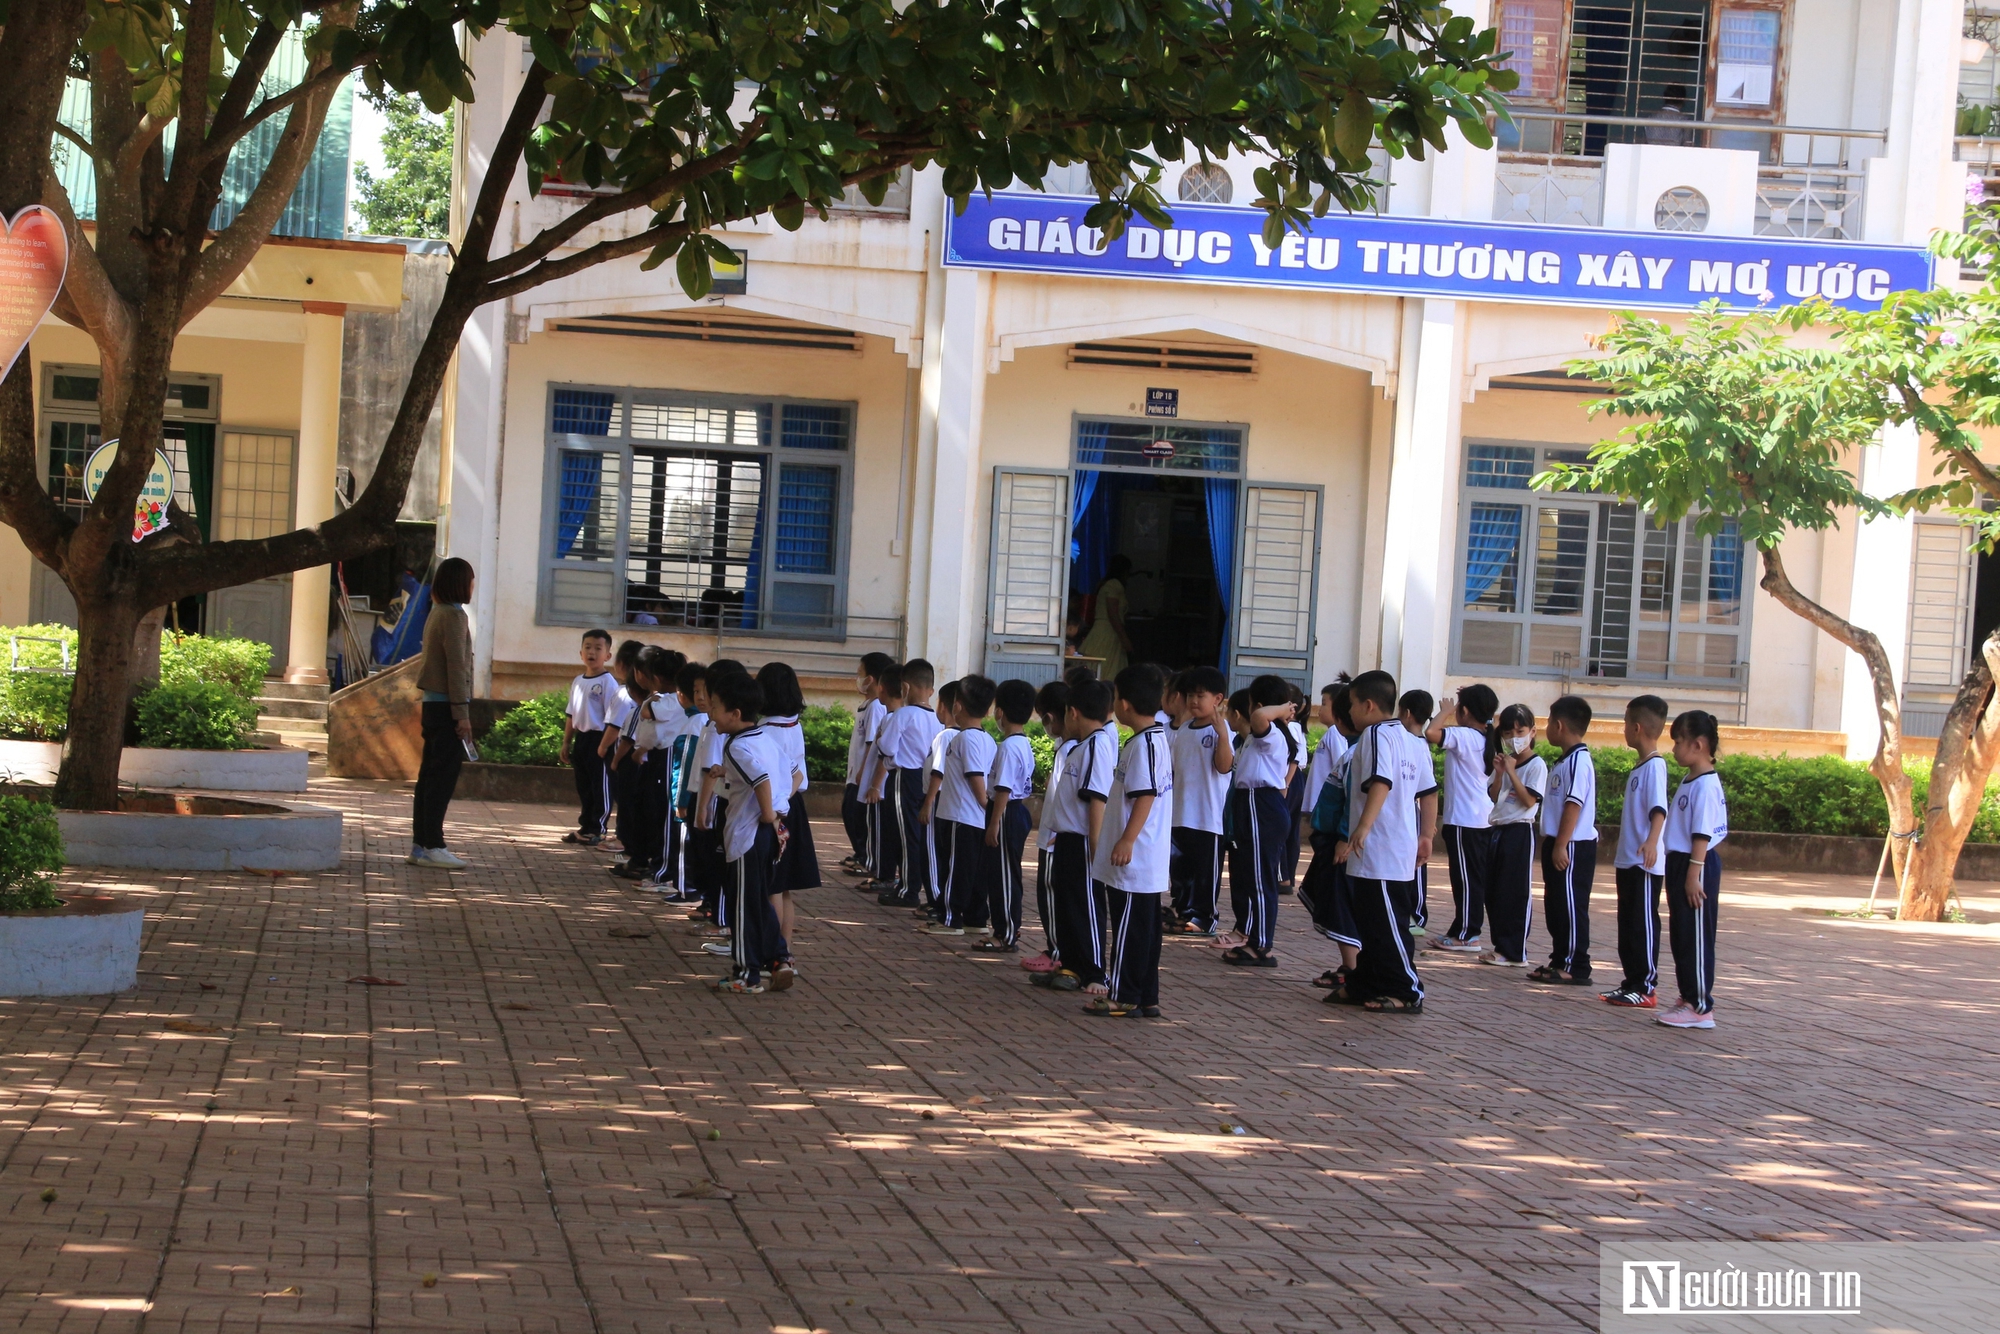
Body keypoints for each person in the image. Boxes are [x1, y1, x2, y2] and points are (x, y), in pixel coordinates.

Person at [1332, 669, 1434, 1014]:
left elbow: (1381, 782)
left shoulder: (1376, 735)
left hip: (1380, 848)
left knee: (1387, 926)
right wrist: (1427, 836)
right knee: (1372, 924)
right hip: (1395, 847)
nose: (1350, 712)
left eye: (1352, 705)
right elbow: (1429, 793)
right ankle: (1366, 983)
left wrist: (1361, 828)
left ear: (1369, 705)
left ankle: (1407, 990)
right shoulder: (1412, 739)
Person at [1083, 665, 1173, 1017]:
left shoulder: (1146, 744)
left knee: (1129, 930)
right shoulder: (1148, 740)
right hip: (1142, 858)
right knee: (1144, 932)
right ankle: (1145, 995)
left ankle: (1124, 994)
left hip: (1136, 859)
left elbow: (1146, 795)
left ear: (1125, 704)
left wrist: (1126, 840)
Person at [709, 669, 788, 995]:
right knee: (758, 902)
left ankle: (746, 974)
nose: (710, 713)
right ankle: (779, 959)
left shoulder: (736, 747)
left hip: (747, 836)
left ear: (735, 713)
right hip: (768, 835)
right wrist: (777, 817)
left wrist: (767, 814)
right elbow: (792, 772)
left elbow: (761, 780)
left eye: (714, 706)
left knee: (743, 906)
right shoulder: (764, 739)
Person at [1040, 676, 1116, 994]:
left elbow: (1096, 800)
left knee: (1086, 905)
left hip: (1086, 841)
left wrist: (1096, 848)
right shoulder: (1081, 746)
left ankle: (1095, 972)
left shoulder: (1098, 746)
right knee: (1068, 904)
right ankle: (1070, 966)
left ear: (1073, 712)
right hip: (1069, 840)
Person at [1222, 675, 1299, 967]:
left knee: (1259, 878)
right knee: (1246, 875)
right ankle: (1249, 934)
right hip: (1248, 805)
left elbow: (1257, 716)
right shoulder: (1253, 739)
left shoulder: (1272, 735)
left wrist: (1281, 709)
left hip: (1261, 805)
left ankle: (1261, 945)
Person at [1659, 710, 1727, 1029]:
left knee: (1696, 936)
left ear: (1698, 745)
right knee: (1683, 935)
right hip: (1681, 862)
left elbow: (1702, 833)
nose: (1674, 749)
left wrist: (1693, 873)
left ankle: (1700, 1005)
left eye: (1679, 742)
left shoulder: (1705, 785)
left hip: (1695, 863)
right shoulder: (1691, 780)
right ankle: (1688, 996)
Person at [409, 557, 476, 868]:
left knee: (428, 777)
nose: (473, 587)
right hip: (447, 706)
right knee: (441, 779)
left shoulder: (437, 611)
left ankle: (421, 844)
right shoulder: (453, 616)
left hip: (432, 706)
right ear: (459, 584)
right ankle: (433, 844)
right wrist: (461, 714)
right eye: (470, 581)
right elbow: (456, 667)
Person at [1424, 684, 1499, 953]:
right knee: (1467, 877)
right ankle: (1461, 928)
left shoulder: (1466, 735)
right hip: (1478, 818)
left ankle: (1468, 934)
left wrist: (1444, 711)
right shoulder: (1484, 738)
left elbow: (1431, 733)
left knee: (1466, 879)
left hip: (1466, 820)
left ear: (1464, 711)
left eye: (1459, 708)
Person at [1607, 695, 1671, 1008]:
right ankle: (1631, 981)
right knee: (1628, 924)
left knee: (1643, 923)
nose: (1623, 730)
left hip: (1644, 862)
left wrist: (1651, 841)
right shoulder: (1640, 767)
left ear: (1636, 727)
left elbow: (1659, 809)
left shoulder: (1655, 767)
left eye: (1624, 724)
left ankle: (1646, 986)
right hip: (1629, 859)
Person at [1531, 694, 1599, 986]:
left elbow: (1575, 804)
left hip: (1571, 845)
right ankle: (1560, 958)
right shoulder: (1565, 761)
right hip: (1557, 841)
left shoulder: (1579, 762)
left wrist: (1561, 843)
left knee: (1570, 904)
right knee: (1556, 904)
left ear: (1559, 725)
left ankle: (1575, 963)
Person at [758, 660, 818, 984]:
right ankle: (787, 952)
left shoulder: (765, 730)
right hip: (794, 808)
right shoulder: (793, 724)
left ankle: (774, 954)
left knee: (772, 886)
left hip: (775, 810)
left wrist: (774, 811)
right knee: (785, 890)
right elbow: (799, 776)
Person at [1168, 666, 1233, 938]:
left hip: (1208, 817)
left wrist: (1223, 737)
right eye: (1190, 696)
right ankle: (1181, 911)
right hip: (1180, 813)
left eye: (1200, 695)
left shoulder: (1222, 730)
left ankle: (1204, 916)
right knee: (1180, 868)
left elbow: (1224, 766)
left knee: (1205, 873)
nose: (1194, 701)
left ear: (1217, 699)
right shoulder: (1183, 730)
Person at [1305, 682, 1362, 992]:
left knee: (1340, 905)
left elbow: (1353, 802)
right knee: (1327, 899)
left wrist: (1344, 837)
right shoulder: (1353, 750)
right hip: (1330, 839)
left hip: (1341, 844)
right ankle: (1350, 964)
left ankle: (1352, 967)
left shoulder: (1357, 753)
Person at [930, 675, 997, 936]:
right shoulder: (988, 739)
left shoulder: (964, 739)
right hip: (974, 819)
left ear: (956, 706)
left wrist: (984, 803)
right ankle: (976, 918)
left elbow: (975, 776)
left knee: (956, 869)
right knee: (974, 871)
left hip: (960, 817)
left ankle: (950, 917)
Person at [977, 679, 1039, 953]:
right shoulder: (1021, 743)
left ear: (999, 712)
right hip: (1012, 811)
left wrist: (993, 824)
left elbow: (1003, 788)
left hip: (1005, 812)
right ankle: (1004, 929)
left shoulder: (1010, 747)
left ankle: (1005, 933)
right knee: (1003, 873)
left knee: (1003, 876)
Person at [876, 660, 943, 909]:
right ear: (931, 690)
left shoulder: (903, 714)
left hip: (904, 776)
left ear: (904, 687)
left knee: (904, 834)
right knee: (919, 834)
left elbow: (886, 747)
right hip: (926, 779)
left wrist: (882, 741)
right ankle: (916, 886)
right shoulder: (937, 719)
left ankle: (908, 889)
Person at [1483, 704, 1545, 967]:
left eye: (1520, 731)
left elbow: (1529, 799)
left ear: (1532, 732)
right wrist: (1500, 773)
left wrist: (1510, 772)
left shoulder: (1536, 765)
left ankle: (1515, 950)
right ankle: (1500, 946)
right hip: (1499, 828)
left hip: (1519, 829)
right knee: (1494, 890)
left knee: (1514, 891)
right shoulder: (1507, 763)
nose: (1514, 738)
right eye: (1508, 733)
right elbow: (1494, 795)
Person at [1024, 678, 1072, 976]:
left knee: (1054, 894)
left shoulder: (1074, 748)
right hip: (1052, 833)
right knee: (1047, 892)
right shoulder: (1064, 745)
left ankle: (1058, 950)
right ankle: (1055, 946)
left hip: (1057, 835)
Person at [560, 628, 617, 845]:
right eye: (588, 647)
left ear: (607, 655)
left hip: (599, 739)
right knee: (583, 785)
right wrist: (566, 742)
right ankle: (585, 825)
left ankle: (598, 828)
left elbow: (613, 717)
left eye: (598, 648)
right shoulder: (578, 681)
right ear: (581, 653)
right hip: (582, 739)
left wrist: (604, 745)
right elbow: (571, 714)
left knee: (599, 784)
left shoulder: (607, 682)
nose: (592, 652)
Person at [841, 652, 894, 875]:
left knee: (857, 816)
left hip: (863, 775)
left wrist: (864, 772)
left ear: (871, 679)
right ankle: (860, 853)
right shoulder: (867, 706)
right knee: (849, 812)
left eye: (860, 674)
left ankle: (865, 856)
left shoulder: (876, 708)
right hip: (855, 773)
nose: (858, 678)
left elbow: (873, 743)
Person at [918, 680, 962, 925]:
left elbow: (938, 772)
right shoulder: (962, 735)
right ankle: (939, 897)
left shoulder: (946, 735)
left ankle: (937, 898)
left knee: (932, 852)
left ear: (945, 707)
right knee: (940, 851)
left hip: (937, 799)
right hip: (946, 801)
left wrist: (928, 802)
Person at [862, 663, 907, 895]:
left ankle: (885, 874)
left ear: (881, 688)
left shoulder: (893, 719)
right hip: (894, 785)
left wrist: (875, 785)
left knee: (882, 832)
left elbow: (886, 755)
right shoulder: (898, 716)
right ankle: (889, 874)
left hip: (885, 786)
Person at [1397, 689, 1437, 933]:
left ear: (1407, 713)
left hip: (1415, 812)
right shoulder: (1408, 742)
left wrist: (1426, 826)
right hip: (1410, 811)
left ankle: (1417, 914)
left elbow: (1427, 789)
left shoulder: (1419, 746)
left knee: (1417, 863)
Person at [1078, 554, 1134, 681]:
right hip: (1108, 633)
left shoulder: (1106, 584)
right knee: (1108, 672)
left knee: (1099, 671)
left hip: (1103, 632)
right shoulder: (1114, 585)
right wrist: (1124, 638)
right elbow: (1112, 613)